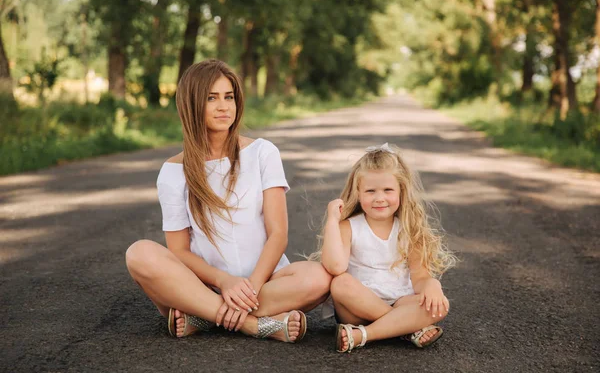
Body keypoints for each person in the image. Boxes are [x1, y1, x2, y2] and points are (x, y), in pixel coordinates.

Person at [125, 59, 331, 343]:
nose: (224, 106)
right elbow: (180, 252)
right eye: (212, 98)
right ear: (192, 104)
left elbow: (278, 234)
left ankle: (204, 317)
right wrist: (224, 282)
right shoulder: (173, 172)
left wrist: (251, 288)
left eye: (229, 96)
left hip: (264, 283)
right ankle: (252, 324)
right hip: (202, 286)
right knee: (139, 254)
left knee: (319, 278)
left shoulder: (262, 152)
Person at [315, 143, 457, 352]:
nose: (379, 198)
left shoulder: (410, 228)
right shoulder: (349, 226)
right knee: (340, 283)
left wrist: (432, 285)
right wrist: (332, 221)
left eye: (388, 190)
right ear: (358, 192)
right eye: (370, 191)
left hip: (400, 302)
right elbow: (335, 267)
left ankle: (365, 334)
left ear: (401, 191)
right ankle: (406, 328)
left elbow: (419, 276)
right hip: (357, 308)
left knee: (439, 306)